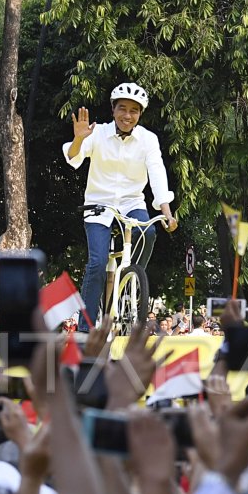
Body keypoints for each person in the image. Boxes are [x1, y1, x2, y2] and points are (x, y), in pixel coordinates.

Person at [64, 83, 178, 330]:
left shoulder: (148, 140)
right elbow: (73, 158)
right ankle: (85, 327)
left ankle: (131, 282)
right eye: (122, 109)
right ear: (113, 110)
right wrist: (78, 139)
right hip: (99, 204)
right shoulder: (97, 133)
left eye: (134, 111)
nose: (128, 115)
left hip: (131, 203)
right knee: (97, 262)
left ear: (140, 114)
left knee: (148, 232)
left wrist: (166, 213)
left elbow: (157, 175)